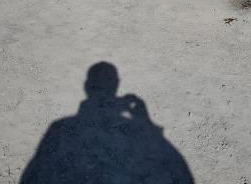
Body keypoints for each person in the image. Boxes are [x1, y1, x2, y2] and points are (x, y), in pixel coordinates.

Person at [20, 62, 194, 183]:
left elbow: (33, 174)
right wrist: (145, 122)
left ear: (87, 86)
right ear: (116, 85)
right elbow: (173, 168)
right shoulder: (134, 131)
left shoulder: (59, 128)